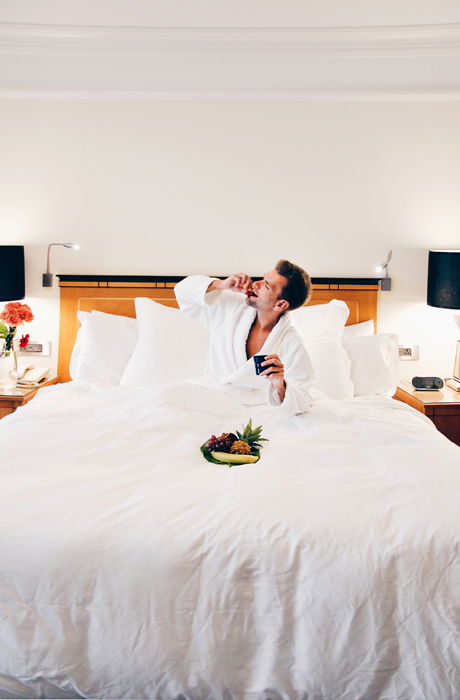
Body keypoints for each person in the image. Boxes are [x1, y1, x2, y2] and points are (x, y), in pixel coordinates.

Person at [174, 260, 315, 415]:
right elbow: (182, 291)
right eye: (262, 278)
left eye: (266, 285)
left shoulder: (291, 342)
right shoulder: (232, 307)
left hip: (260, 410)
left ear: (280, 305)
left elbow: (303, 399)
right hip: (212, 397)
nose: (256, 284)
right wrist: (220, 285)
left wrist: (280, 385)